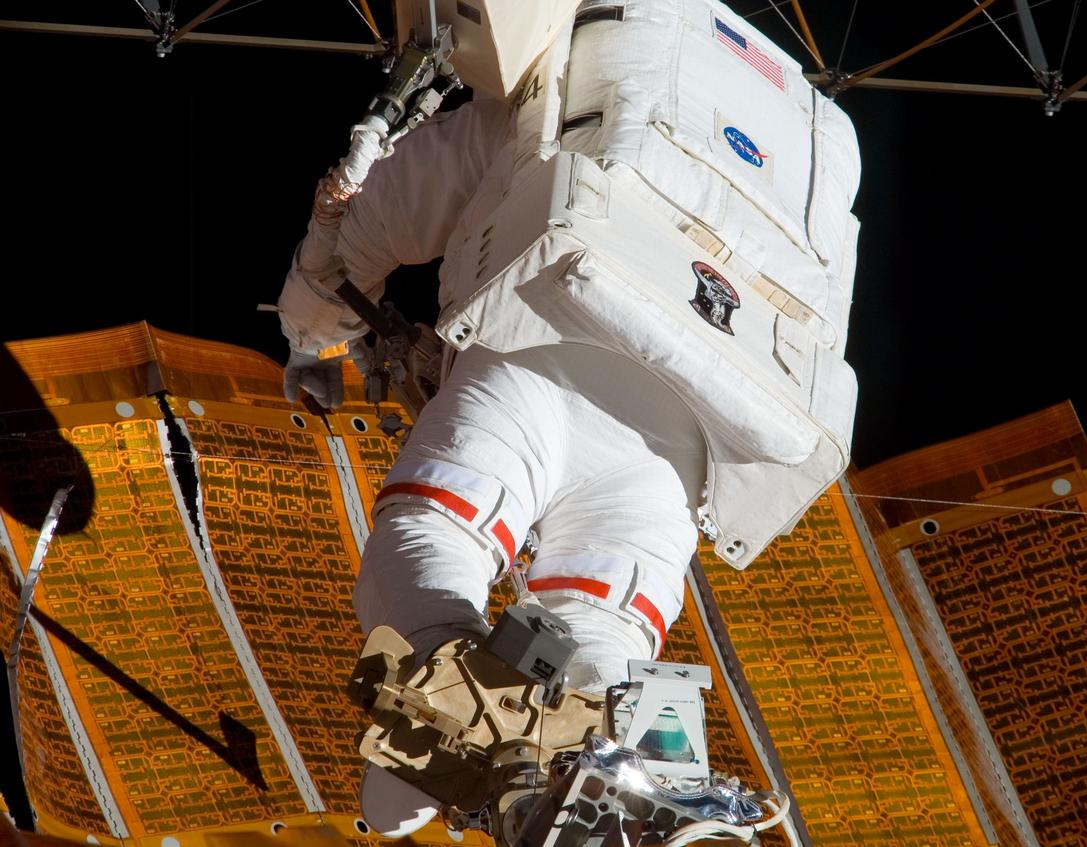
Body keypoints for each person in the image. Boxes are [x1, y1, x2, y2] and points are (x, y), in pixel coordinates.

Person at [275, 0, 861, 835]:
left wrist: (309, 337)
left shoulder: (586, 40)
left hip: (540, 355)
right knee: (607, 647)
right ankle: (620, 793)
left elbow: (385, 204)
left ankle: (464, 732)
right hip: (687, 446)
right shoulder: (809, 133)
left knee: (430, 537)